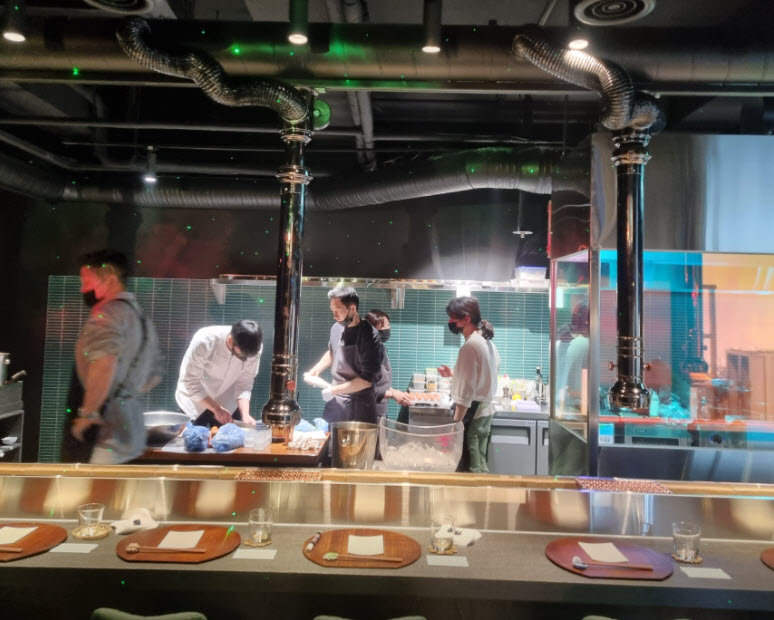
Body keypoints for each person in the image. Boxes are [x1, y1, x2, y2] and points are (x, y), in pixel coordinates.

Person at [66, 249, 161, 464]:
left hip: (104, 430)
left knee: (92, 485)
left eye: (86, 281)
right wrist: (125, 395)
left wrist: (89, 414)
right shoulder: (140, 316)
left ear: (109, 278)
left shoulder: (106, 315)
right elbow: (154, 376)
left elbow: (104, 364)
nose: (83, 289)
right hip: (131, 429)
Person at [438, 296, 500, 473]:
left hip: (471, 413)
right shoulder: (487, 342)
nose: (450, 322)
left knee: (469, 469)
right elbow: (484, 375)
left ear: (466, 319)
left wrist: (455, 424)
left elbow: (465, 393)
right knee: (480, 466)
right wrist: (454, 374)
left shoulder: (470, 346)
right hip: (485, 412)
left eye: (453, 318)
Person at [307, 286, 383, 425]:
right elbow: (332, 351)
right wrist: (316, 369)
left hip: (359, 406)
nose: (334, 316)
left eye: (338, 311)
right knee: (329, 437)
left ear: (352, 308)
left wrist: (333, 390)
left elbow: (366, 380)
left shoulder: (369, 335)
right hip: (335, 401)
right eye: (332, 311)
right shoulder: (336, 328)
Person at [175, 320, 263, 427]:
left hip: (226, 401)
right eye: (242, 356)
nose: (245, 359)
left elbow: (245, 382)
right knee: (189, 435)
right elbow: (191, 382)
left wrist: (245, 414)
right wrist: (216, 408)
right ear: (230, 341)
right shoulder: (205, 341)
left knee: (230, 435)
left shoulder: (254, 349)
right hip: (195, 400)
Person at [363, 309, 411, 423]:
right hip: (366, 415)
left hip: (380, 412)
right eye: (384, 326)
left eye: (388, 325)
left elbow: (381, 383)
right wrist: (393, 394)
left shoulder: (381, 348)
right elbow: (365, 390)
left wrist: (397, 393)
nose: (388, 329)